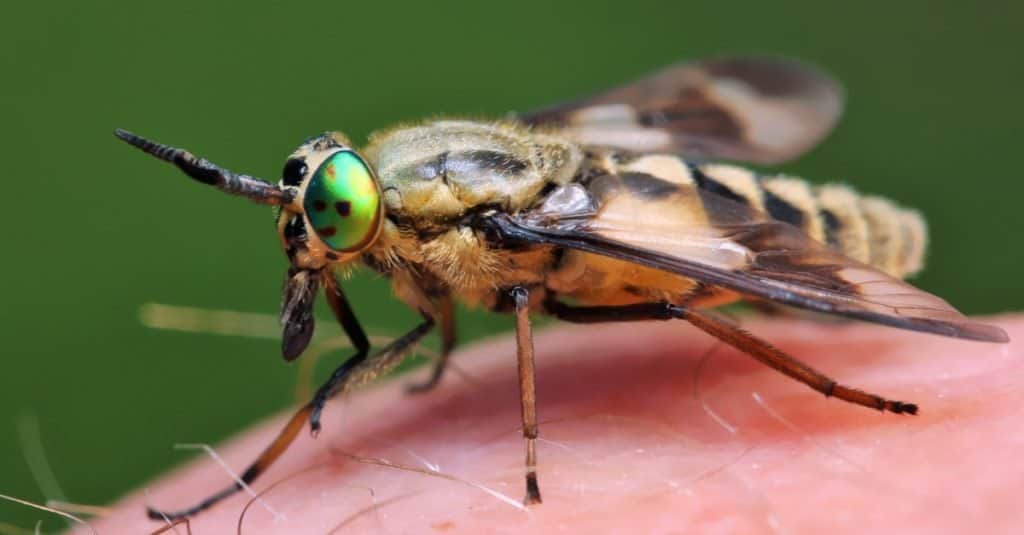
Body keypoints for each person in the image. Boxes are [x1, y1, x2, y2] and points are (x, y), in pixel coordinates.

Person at [85, 316, 1020, 534]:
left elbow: (517, 297)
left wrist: (530, 453)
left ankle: (837, 391)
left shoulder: (472, 227)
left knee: (667, 293)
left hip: (680, 234)